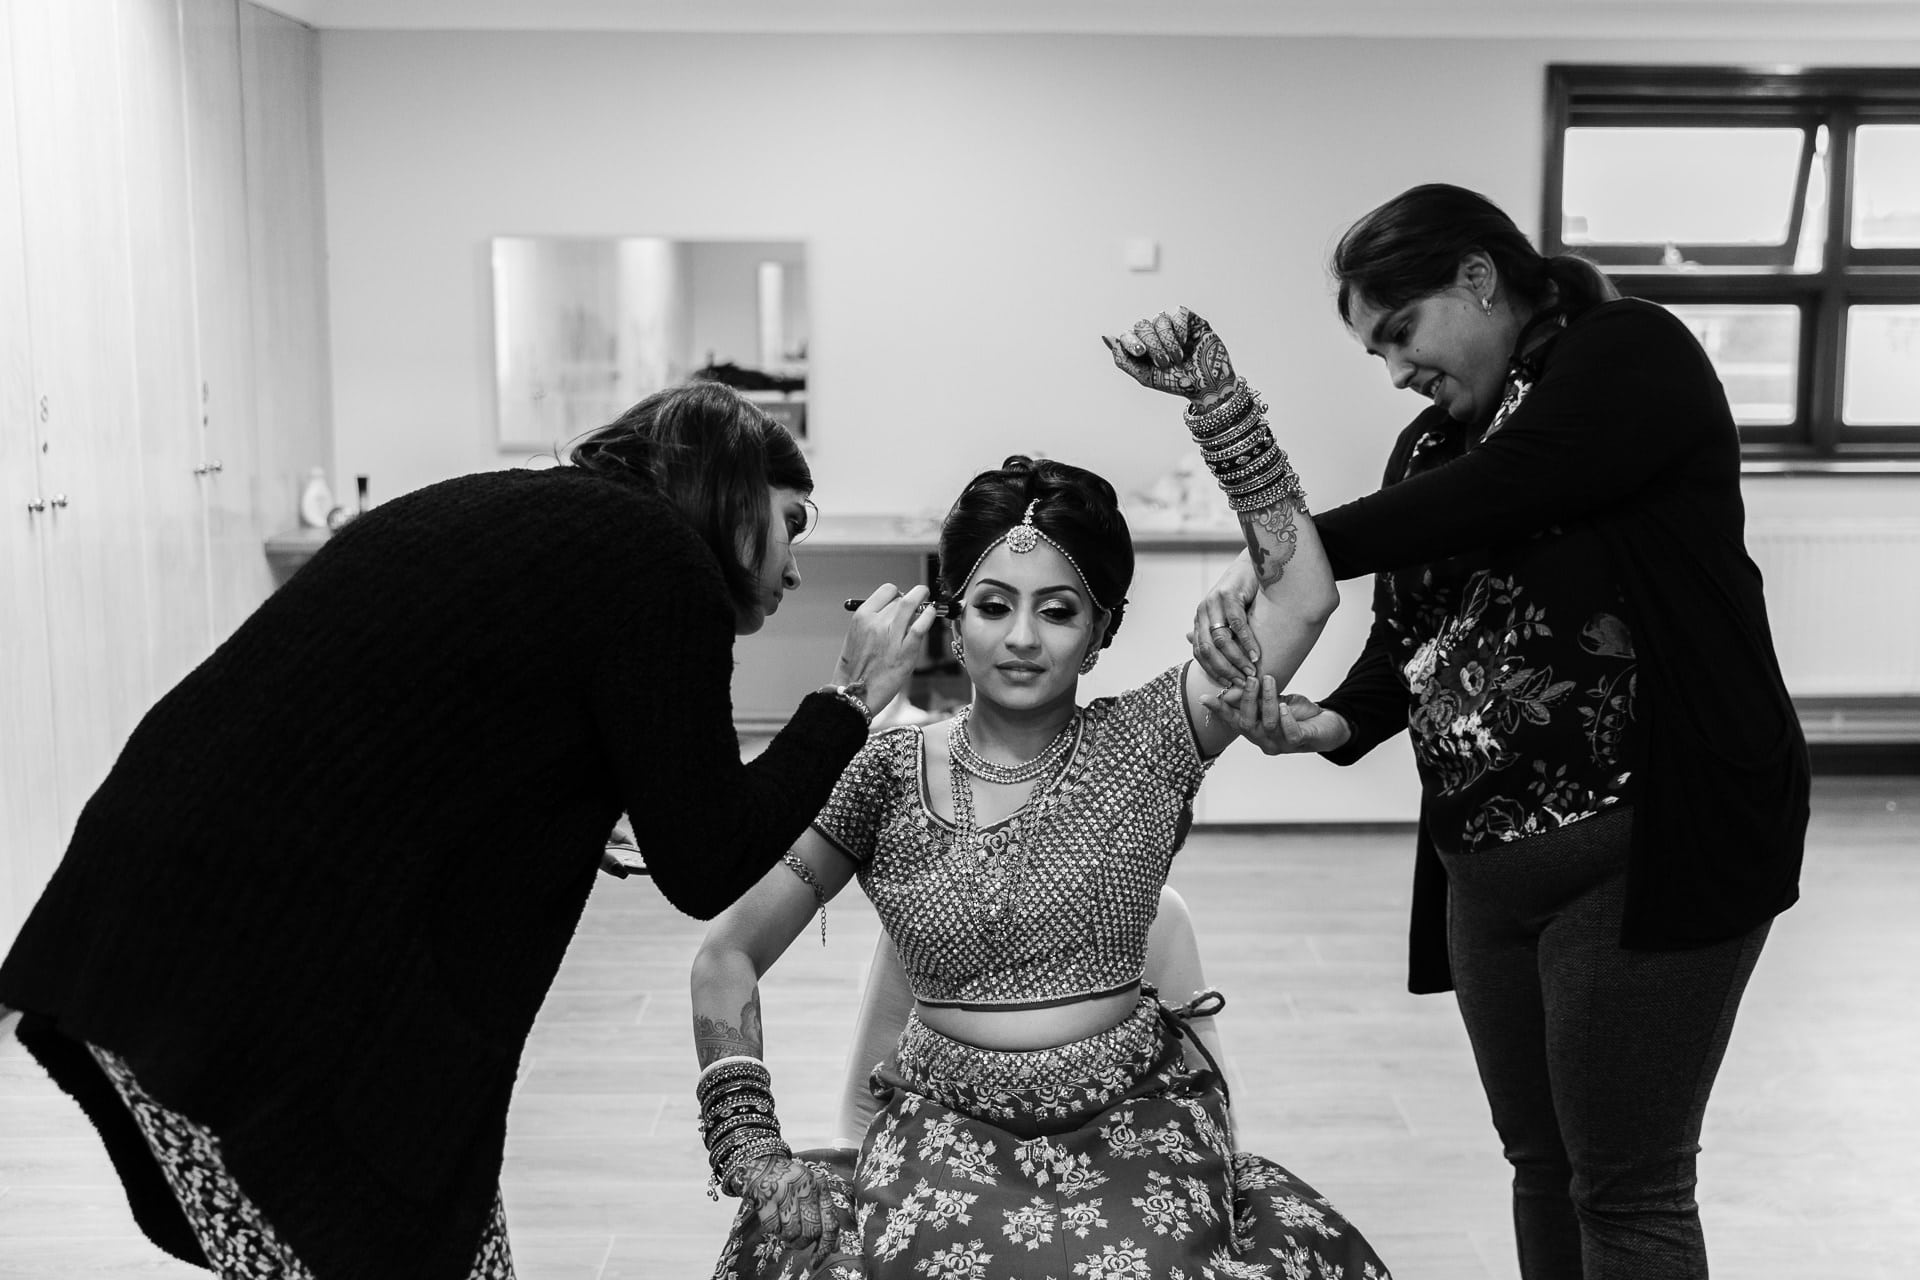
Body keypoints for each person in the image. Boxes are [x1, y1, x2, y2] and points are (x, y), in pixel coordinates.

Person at [0, 381, 936, 1280]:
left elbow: (446, 729)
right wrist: (850, 700)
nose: (799, 567)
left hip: (146, 920)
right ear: (733, 497)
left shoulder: (534, 516)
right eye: (792, 523)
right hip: (236, 984)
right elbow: (708, 859)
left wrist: (560, 818)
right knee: (358, 1237)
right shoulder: (660, 564)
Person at [1161, 184, 1808, 1279]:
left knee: (1628, 1183)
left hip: (1648, 844)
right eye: (1376, 352)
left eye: (1400, 332)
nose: (1397, 368)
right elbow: (1410, 628)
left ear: (1477, 275)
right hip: (1486, 870)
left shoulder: (1626, 354)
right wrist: (1331, 720)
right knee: (1542, 1164)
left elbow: (1514, 486)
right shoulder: (1427, 444)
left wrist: (1288, 542)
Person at [687, 327, 1393, 1279]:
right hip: (945, 1129)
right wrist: (754, 1150)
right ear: (952, 614)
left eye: (1058, 610)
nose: (1023, 637)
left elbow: (1303, 596)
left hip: (1136, 1126)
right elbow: (727, 953)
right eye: (993, 605)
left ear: (1101, 632)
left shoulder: (1153, 738)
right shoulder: (881, 774)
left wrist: (1218, 407)